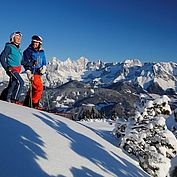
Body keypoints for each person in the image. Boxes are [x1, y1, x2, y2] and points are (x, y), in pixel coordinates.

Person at [22, 35, 46, 109]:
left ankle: (27, 102)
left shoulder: (41, 51)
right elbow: (24, 62)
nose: (35, 44)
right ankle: (34, 104)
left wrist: (44, 67)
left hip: (39, 72)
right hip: (33, 72)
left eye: (37, 42)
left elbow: (44, 60)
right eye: (34, 42)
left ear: (40, 43)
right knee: (39, 88)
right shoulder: (28, 51)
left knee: (33, 89)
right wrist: (28, 71)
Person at [0, 31, 24, 104]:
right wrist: (7, 68)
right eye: (17, 37)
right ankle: (14, 100)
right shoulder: (9, 47)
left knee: (12, 85)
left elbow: (22, 61)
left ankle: (3, 97)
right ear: (12, 38)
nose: (19, 39)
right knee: (20, 82)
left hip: (17, 69)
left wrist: (31, 63)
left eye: (20, 37)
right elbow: (1, 57)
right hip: (12, 69)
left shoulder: (18, 49)